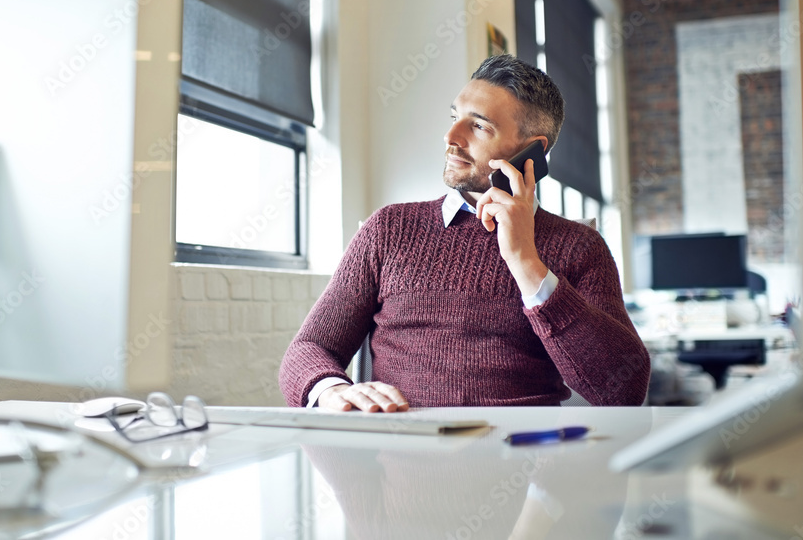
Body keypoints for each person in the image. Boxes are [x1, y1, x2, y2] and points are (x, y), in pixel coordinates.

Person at [278, 54, 649, 411]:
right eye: (455, 117)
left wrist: (526, 262)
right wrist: (333, 391)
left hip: (523, 458)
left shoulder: (579, 247)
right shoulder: (389, 229)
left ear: (532, 151)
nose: (451, 136)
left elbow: (624, 390)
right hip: (403, 455)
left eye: (479, 125)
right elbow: (309, 348)